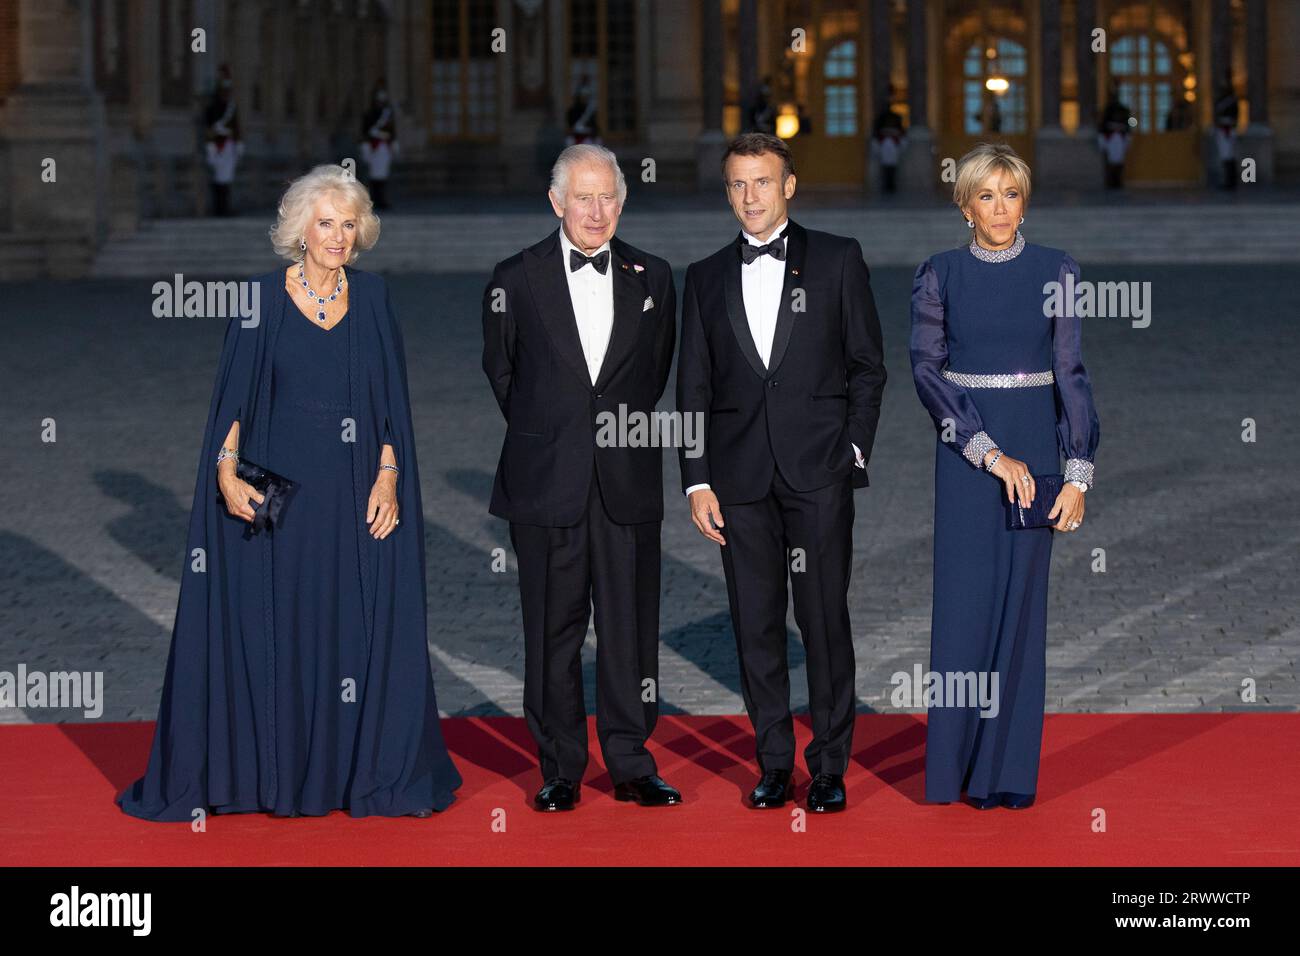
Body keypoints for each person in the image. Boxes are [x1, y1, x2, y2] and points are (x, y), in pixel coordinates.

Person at [117, 164, 462, 821]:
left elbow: (391, 409)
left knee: (353, 631)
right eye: (325, 222)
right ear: (300, 229)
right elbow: (232, 405)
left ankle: (347, 775)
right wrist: (224, 471)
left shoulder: (375, 298)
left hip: (354, 496)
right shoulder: (261, 300)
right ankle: (271, 776)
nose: (336, 235)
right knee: (276, 630)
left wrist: (390, 478)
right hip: (279, 501)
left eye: (348, 223)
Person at [676, 133, 887, 812]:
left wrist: (852, 450)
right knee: (755, 624)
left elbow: (868, 368)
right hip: (737, 483)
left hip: (818, 473)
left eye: (762, 183)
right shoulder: (704, 277)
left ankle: (828, 765)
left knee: (823, 620)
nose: (750, 198)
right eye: (737, 185)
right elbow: (693, 390)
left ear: (788, 186)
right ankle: (774, 762)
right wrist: (696, 479)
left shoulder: (837, 259)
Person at [481, 144, 679, 811]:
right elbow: (504, 377)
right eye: (584, 197)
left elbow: (651, 377)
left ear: (622, 202)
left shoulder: (655, 276)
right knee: (552, 631)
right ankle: (560, 767)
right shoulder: (515, 277)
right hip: (545, 482)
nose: (597, 211)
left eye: (609, 198)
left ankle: (630, 761)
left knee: (629, 628)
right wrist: (557, 434)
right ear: (557, 201)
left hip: (626, 481)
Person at [909, 142, 1099, 810]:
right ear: (964, 206)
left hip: (1038, 462)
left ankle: (1005, 773)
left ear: (1026, 201)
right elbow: (927, 373)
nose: (999, 208)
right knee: (963, 611)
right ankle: (952, 769)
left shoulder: (1058, 270)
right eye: (985, 195)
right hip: (968, 457)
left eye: (1011, 194)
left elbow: (1071, 373)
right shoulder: (939, 274)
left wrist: (1076, 473)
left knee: (1022, 613)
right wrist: (987, 452)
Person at [203, 68, 243, 216]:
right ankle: (219, 208)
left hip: (228, 145)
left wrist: (238, 142)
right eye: (224, 91)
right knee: (218, 178)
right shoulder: (213, 108)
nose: (227, 94)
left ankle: (224, 208)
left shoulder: (231, 107)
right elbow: (209, 126)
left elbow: (236, 125)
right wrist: (211, 143)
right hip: (216, 144)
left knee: (226, 178)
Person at [360, 83, 398, 209]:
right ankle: (373, 199)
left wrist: (393, 142)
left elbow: (392, 131)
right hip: (373, 146)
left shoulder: (388, 114)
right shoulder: (369, 114)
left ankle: (382, 199)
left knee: (383, 174)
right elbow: (365, 131)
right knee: (373, 175)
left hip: (383, 147)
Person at [1097, 85, 1133, 189]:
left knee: (1120, 160)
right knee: (1109, 160)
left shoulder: (1124, 110)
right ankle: (1110, 181)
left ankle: (1118, 181)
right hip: (1110, 137)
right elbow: (1103, 125)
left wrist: (1125, 133)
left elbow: (1128, 124)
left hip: (1120, 138)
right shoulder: (1107, 110)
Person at [871, 100, 907, 194]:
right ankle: (887, 185)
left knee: (892, 167)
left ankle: (891, 185)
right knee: (885, 167)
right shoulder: (881, 119)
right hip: (885, 144)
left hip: (893, 144)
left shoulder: (897, 118)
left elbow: (901, 132)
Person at [1213, 82, 1240, 190]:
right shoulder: (1221, 102)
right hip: (1222, 130)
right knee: (1225, 156)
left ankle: (1231, 181)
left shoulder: (1232, 102)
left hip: (1228, 131)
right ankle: (1227, 180)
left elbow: (1234, 117)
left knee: (1229, 156)